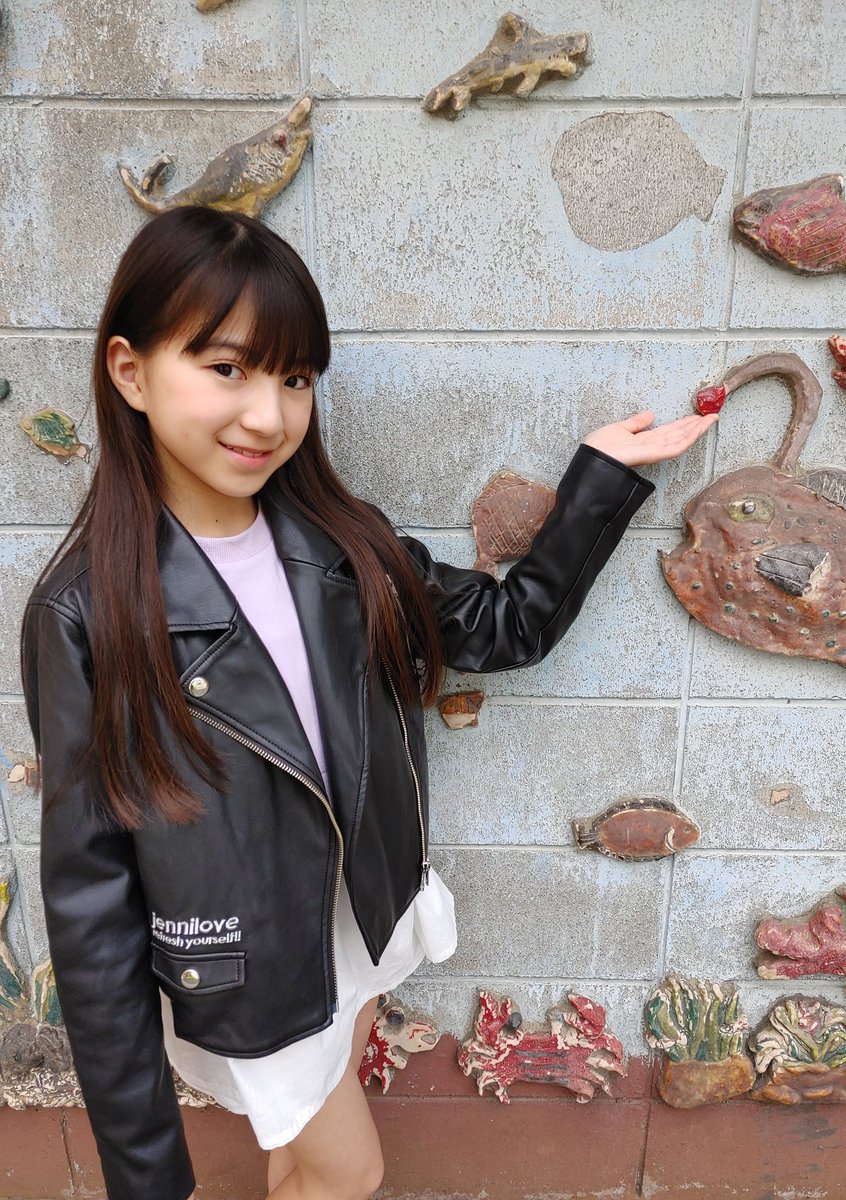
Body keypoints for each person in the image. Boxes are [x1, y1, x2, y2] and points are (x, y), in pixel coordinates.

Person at [19, 206, 717, 1200]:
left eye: (295, 377)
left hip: (356, 924)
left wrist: (600, 479)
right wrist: (145, 1172)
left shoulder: (344, 546)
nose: (269, 415)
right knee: (351, 1172)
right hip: (251, 974)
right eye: (227, 368)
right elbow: (89, 904)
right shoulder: (87, 612)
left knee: (304, 1163)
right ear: (130, 373)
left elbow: (506, 628)